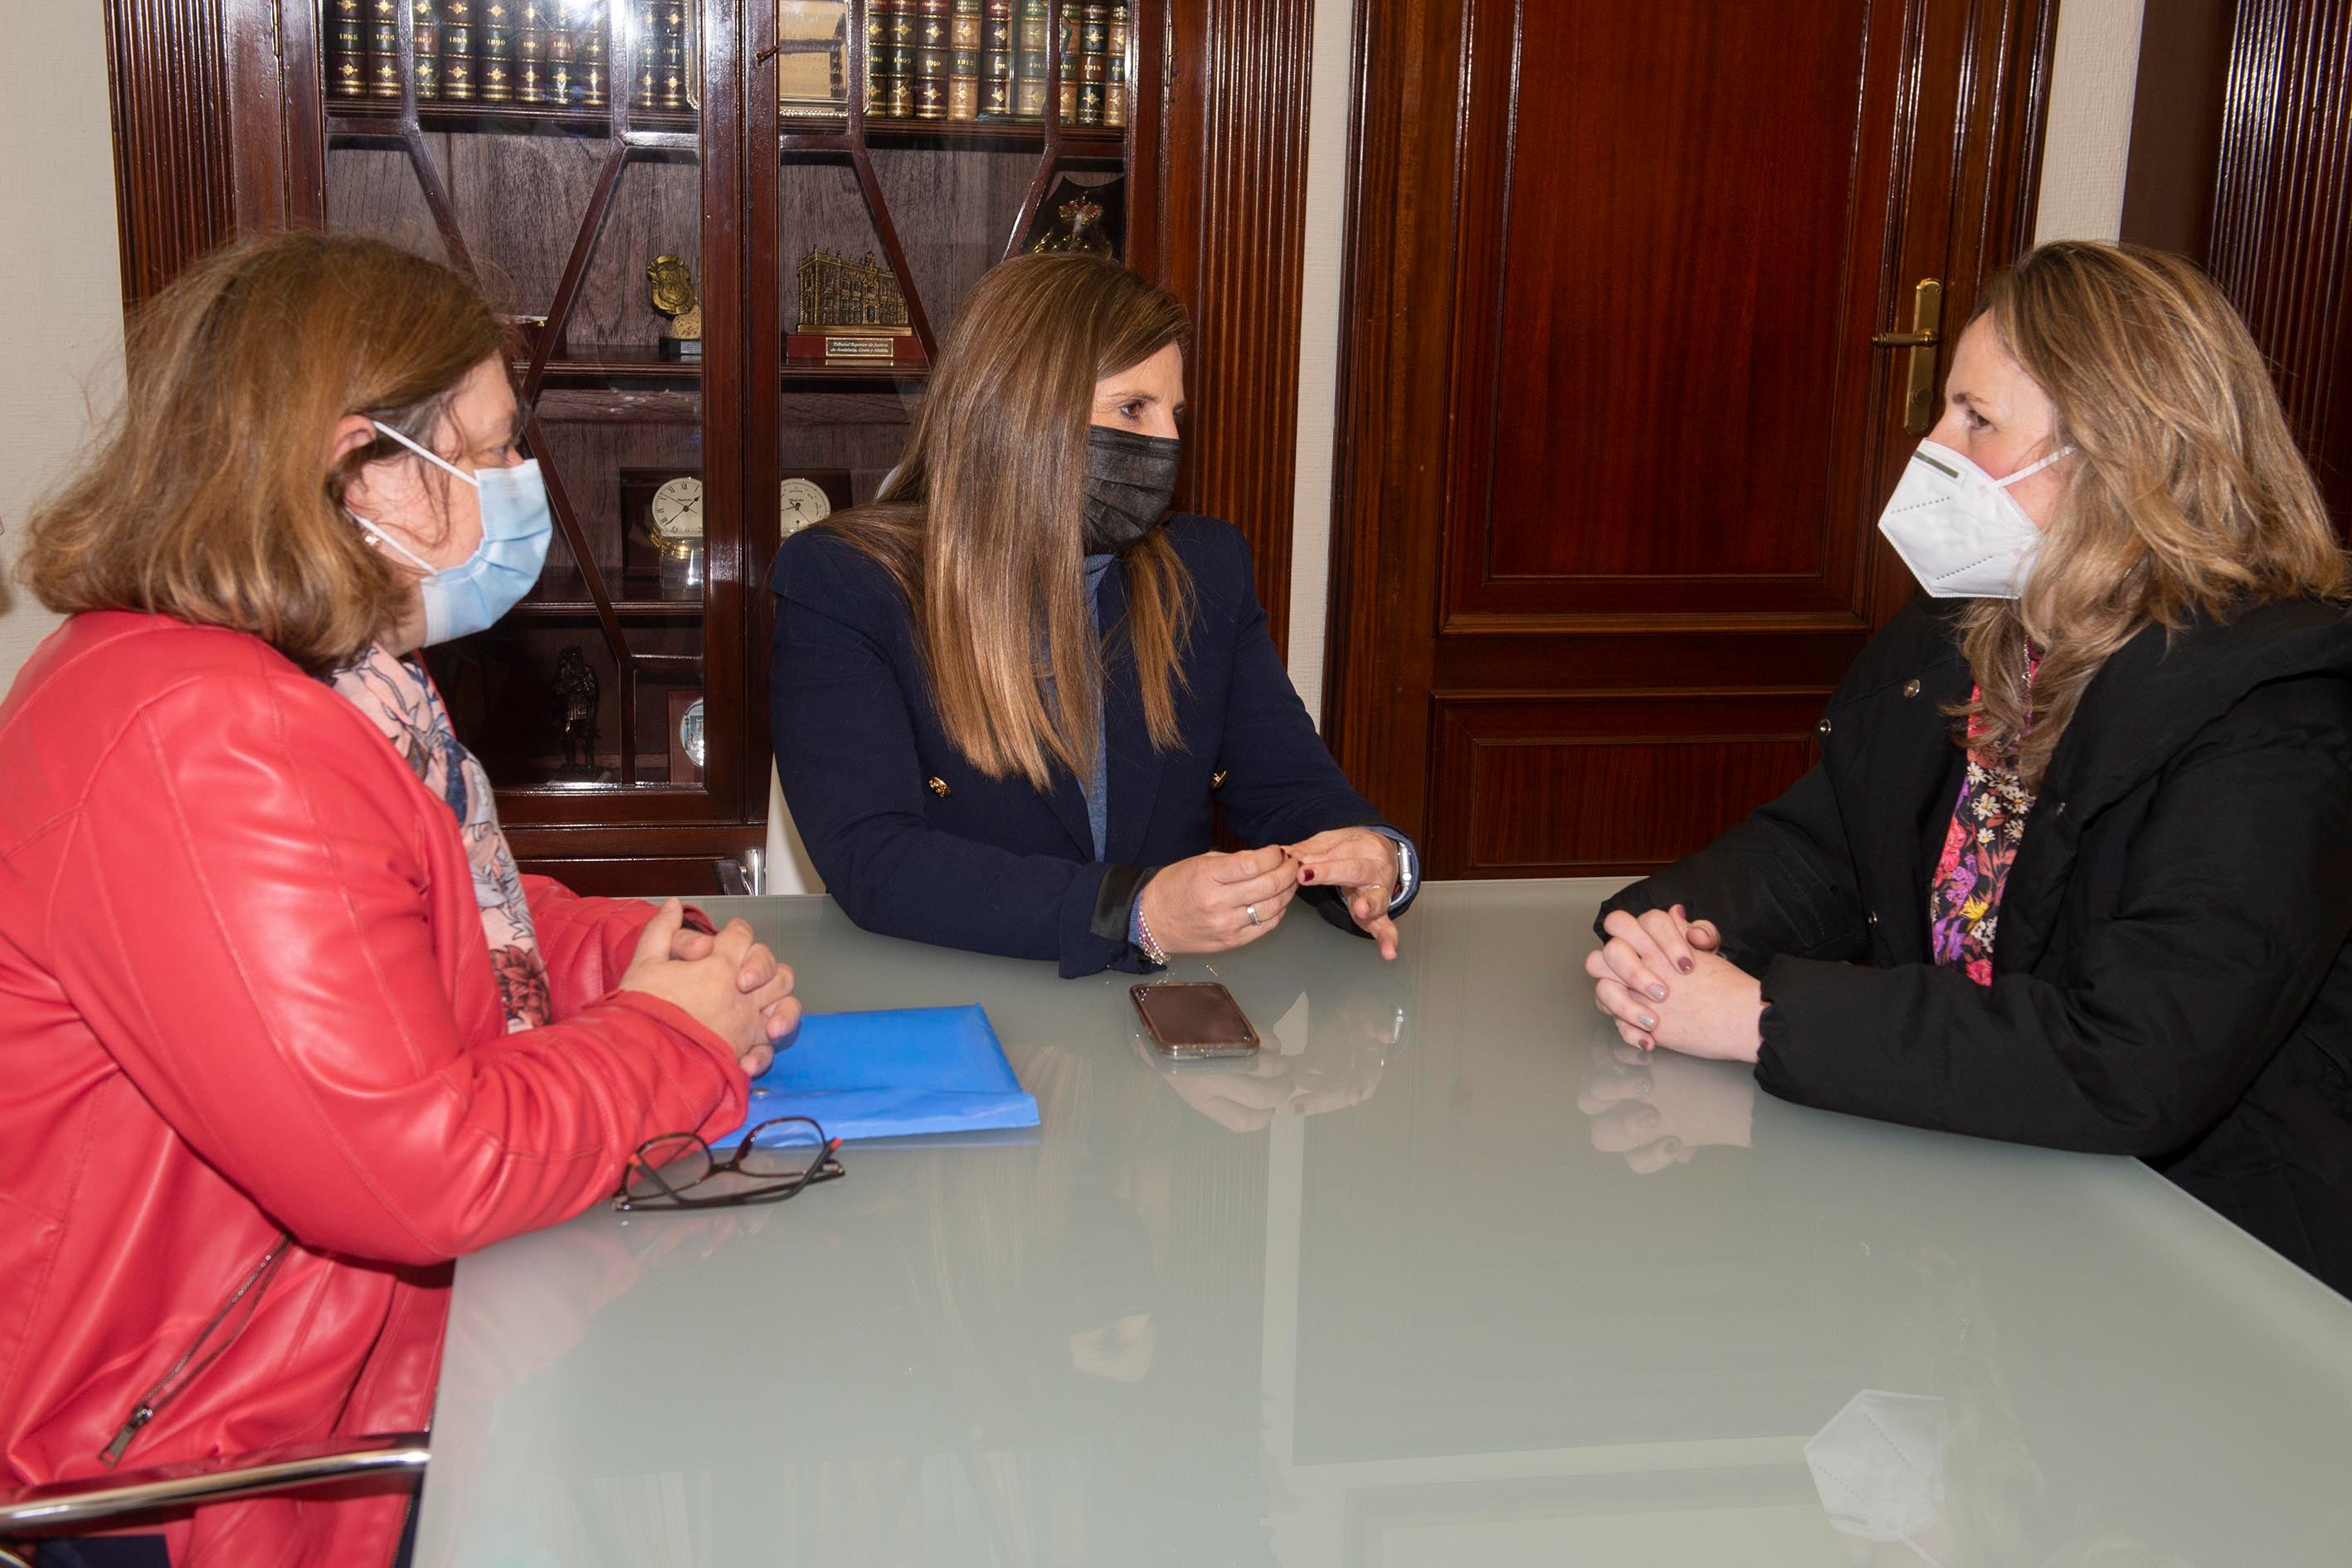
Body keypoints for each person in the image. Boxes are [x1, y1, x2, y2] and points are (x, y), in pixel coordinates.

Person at [0, 231, 801, 1567]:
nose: (515, 490)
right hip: (218, 1458)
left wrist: (627, 952)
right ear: (360, 465)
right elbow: (411, 1168)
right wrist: (675, 1039)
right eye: (485, 454)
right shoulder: (208, 735)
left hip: (324, 1376)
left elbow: (412, 913)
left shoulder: (306, 680)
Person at [1585, 241, 2352, 1295]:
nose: (1932, 444)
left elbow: (2133, 1060)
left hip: (2205, 1260)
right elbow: (1836, 845)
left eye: (1975, 420)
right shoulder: (1972, 630)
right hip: (1979, 1202)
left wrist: (1762, 1019)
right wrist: (1671, 932)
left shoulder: (2275, 714)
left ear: (2118, 454)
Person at [769, 254, 1416, 977]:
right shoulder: (848, 580)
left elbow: (1289, 785)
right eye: (1132, 409)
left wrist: (1375, 855)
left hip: (1162, 1015)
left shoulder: (1205, 568)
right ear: (1021, 413)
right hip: (955, 992)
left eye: (1174, 414)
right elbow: (875, 859)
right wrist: (1129, 911)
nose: (1167, 443)